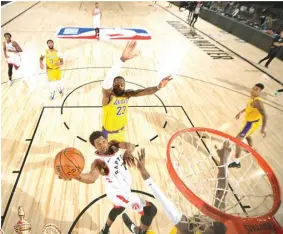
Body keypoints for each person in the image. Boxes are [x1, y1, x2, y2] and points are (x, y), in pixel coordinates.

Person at [122, 142, 230, 234]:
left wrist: (145, 174)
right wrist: (223, 162)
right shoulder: (215, 222)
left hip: (179, 230)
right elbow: (221, 192)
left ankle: (133, 228)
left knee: (143, 226)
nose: (208, 222)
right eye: (211, 223)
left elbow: (165, 202)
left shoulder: (185, 228)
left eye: (209, 227)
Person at [70, 131, 157, 234]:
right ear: (95, 147)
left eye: (103, 141)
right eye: (99, 144)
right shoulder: (98, 162)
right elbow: (91, 178)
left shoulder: (113, 145)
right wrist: (75, 176)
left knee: (118, 209)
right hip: (120, 194)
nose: (102, 145)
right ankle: (140, 232)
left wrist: (128, 151)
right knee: (150, 210)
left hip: (114, 191)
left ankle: (104, 230)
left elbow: (130, 145)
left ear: (106, 140)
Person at [101, 41, 172, 142]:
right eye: (116, 84)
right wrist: (122, 60)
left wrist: (158, 87)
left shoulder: (127, 94)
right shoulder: (108, 96)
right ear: (112, 85)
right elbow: (107, 80)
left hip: (121, 131)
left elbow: (145, 91)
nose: (119, 86)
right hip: (108, 134)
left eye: (122, 84)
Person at [229, 83, 267, 168]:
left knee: (237, 140)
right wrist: (240, 112)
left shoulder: (258, 102)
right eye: (253, 88)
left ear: (260, 92)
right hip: (248, 121)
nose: (253, 90)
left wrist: (263, 129)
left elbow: (265, 115)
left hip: (251, 124)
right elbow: (248, 107)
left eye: (256, 89)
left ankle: (236, 162)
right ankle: (250, 149)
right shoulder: (252, 98)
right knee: (247, 136)